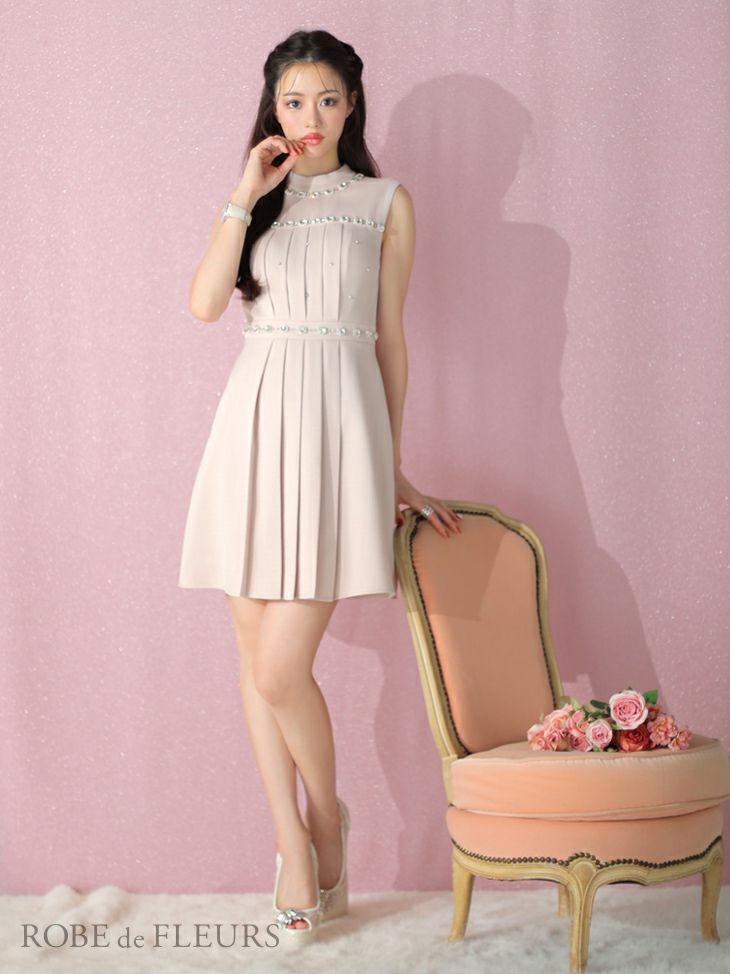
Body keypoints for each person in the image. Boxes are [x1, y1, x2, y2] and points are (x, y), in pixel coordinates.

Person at [178, 28, 462, 946]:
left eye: (327, 99)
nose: (310, 116)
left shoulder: (385, 203)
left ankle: (327, 819)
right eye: (293, 100)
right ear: (273, 108)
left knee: (278, 668)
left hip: (338, 435)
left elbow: (391, 342)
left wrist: (393, 464)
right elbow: (206, 305)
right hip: (252, 431)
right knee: (253, 665)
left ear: (352, 106)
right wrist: (242, 192)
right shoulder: (254, 203)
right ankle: (294, 848)